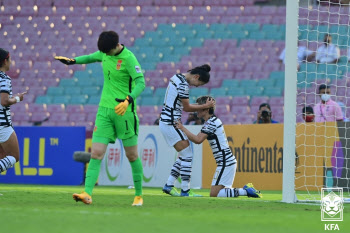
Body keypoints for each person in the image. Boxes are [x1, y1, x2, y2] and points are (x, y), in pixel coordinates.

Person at [55, 31, 145, 206]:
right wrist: (73, 61)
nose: (104, 55)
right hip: (104, 111)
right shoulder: (105, 53)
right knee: (96, 153)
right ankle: (87, 193)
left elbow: (141, 82)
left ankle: (139, 195)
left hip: (124, 112)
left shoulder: (129, 58)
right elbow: (90, 57)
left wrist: (128, 100)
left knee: (132, 155)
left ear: (116, 46)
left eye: (107, 52)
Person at [175, 96, 262, 198]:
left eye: (200, 107)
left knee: (214, 194)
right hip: (226, 161)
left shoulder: (212, 122)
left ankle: (246, 191)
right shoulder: (211, 121)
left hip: (226, 162)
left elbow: (198, 140)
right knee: (218, 193)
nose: (196, 110)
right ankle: (245, 190)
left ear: (207, 109)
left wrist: (182, 128)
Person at [159, 64, 215, 197]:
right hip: (171, 123)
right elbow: (187, 108)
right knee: (188, 154)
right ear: (196, 76)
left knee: (185, 154)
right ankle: (185, 190)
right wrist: (205, 106)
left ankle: (169, 185)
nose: (196, 86)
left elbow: (184, 105)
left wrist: (202, 106)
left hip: (167, 121)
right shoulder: (183, 85)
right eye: (198, 83)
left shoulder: (176, 77)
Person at [0, 48, 27, 174]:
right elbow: (4, 101)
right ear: (5, 61)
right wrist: (17, 98)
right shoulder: (4, 79)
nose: (11, 62)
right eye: (10, 59)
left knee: (1, 157)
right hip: (3, 125)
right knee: (14, 157)